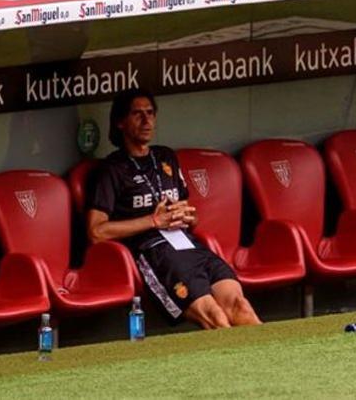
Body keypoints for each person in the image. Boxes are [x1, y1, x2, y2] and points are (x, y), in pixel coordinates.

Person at [86, 89, 261, 328]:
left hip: (190, 245)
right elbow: (96, 232)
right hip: (154, 253)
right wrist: (154, 221)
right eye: (137, 114)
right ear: (120, 122)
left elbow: (190, 215)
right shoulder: (112, 170)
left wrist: (189, 216)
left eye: (150, 113)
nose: (147, 120)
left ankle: (275, 363)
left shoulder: (166, 156)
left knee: (241, 307)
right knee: (216, 317)